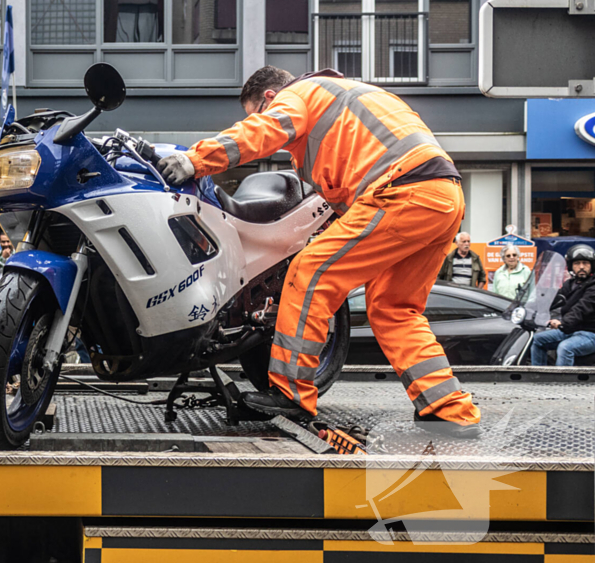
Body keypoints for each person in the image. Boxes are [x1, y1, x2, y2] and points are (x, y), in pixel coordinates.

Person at [157, 65, 480, 438]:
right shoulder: (348, 101)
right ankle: (449, 409)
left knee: (309, 274)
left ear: (269, 97)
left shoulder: (302, 93)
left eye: (255, 112)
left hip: (400, 191)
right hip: (442, 196)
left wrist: (196, 160)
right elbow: (345, 190)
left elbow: (266, 129)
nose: (257, 120)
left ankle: (292, 394)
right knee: (394, 309)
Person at [530, 245, 595, 366]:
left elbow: (581, 308)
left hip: (590, 334)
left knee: (565, 348)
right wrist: (532, 309)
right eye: (577, 263)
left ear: (592, 265)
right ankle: (538, 378)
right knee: (537, 340)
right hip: (571, 330)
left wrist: (563, 323)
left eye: (585, 263)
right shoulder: (569, 284)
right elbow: (554, 300)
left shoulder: (593, 286)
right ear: (571, 266)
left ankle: (561, 383)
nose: (581, 267)